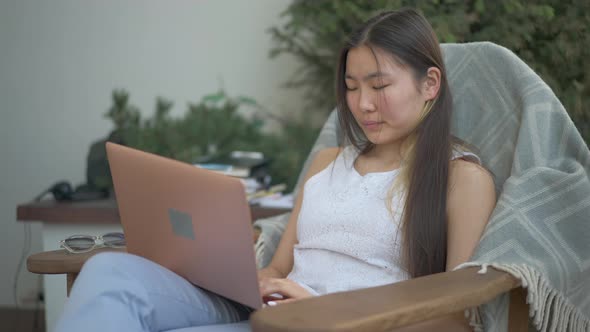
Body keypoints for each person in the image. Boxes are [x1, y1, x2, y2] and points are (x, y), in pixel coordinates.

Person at [56, 8, 496, 332]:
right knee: (108, 272)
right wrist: (257, 279)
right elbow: (281, 267)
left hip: (340, 325)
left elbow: (453, 317)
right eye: (351, 87)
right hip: (272, 315)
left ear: (430, 84)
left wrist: (328, 312)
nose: (362, 104)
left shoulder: (461, 179)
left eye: (379, 86)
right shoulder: (328, 162)